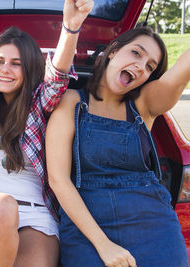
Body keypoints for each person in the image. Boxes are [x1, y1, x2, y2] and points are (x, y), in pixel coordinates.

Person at [46, 26, 190, 267]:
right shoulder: (72, 101)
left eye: (150, 66)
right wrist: (103, 244)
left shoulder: (144, 103)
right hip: (87, 230)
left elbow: (182, 69)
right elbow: (58, 179)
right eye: (136, 53)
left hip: (154, 228)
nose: (141, 66)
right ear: (113, 51)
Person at [0, 1, 94, 266]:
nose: (5, 70)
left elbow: (57, 78)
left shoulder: (39, 107)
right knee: (3, 208)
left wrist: (71, 28)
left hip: (37, 213)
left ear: (30, 68)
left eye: (16, 63)